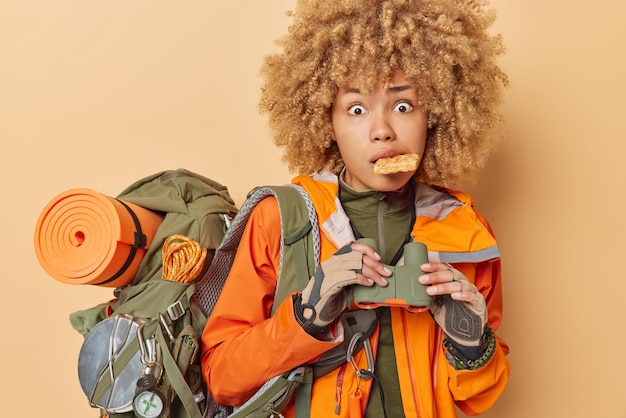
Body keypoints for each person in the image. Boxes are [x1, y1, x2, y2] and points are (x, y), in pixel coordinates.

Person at [201, 0, 510, 417]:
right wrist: (306, 315)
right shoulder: (279, 220)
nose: (382, 130)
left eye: (404, 106)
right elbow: (221, 379)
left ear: (434, 115)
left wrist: (472, 343)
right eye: (357, 109)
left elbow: (475, 398)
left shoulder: (467, 233)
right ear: (326, 119)